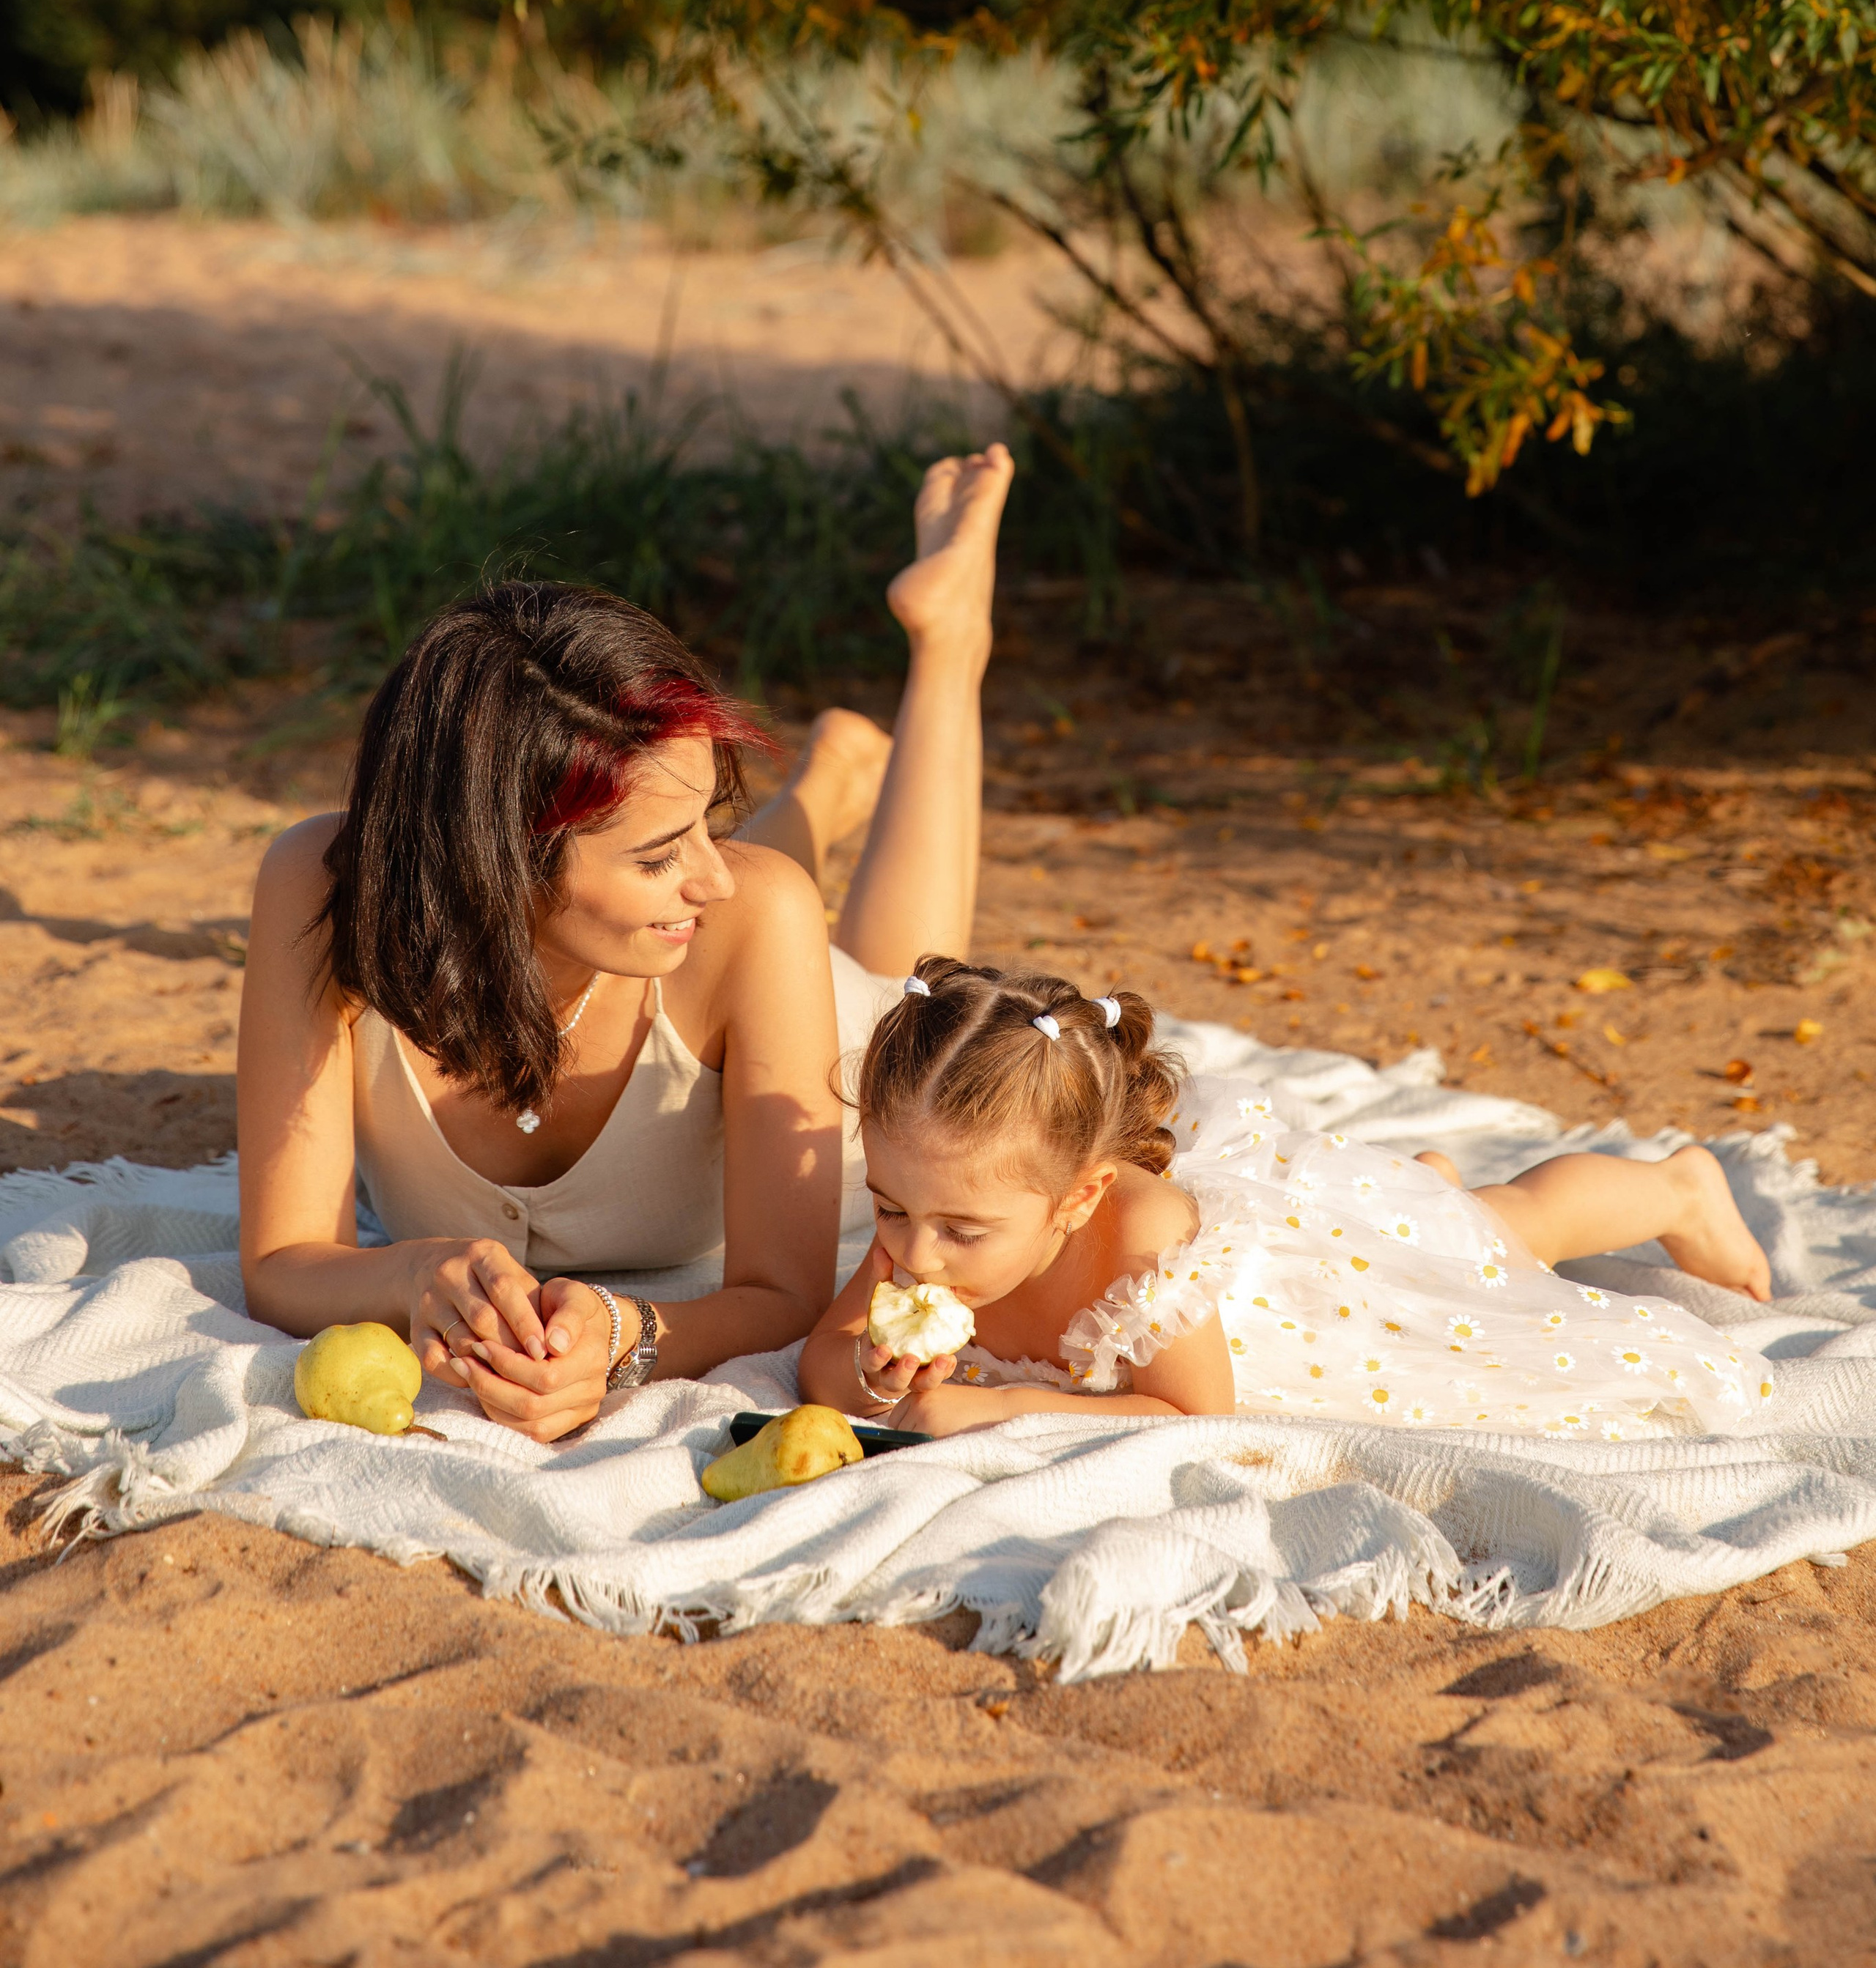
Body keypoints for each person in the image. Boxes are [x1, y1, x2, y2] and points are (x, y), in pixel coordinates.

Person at [236, 443, 1013, 1441]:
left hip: (803, 1005)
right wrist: (414, 1271)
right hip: (671, 948)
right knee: (745, 887)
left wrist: (627, 1336)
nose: (713, 874)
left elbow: (784, 1293)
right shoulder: (321, 888)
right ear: (499, 863)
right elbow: (283, 1262)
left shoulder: (753, 912)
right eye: (659, 853)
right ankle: (824, 788)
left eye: (706, 824)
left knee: (901, 979)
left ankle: (950, 645)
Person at [798, 955, 1780, 1440]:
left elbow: (1192, 1410)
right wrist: (877, 1380)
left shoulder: (1143, 1235)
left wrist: (1002, 1408)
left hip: (1326, 1293)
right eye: (889, 1208)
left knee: (1502, 1232)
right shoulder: (922, 1229)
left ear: (1077, 1198)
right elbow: (822, 1364)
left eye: (963, 1230)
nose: (915, 1253)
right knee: (1454, 1204)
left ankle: (1679, 1188)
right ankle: (1428, 1182)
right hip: (1313, 1238)